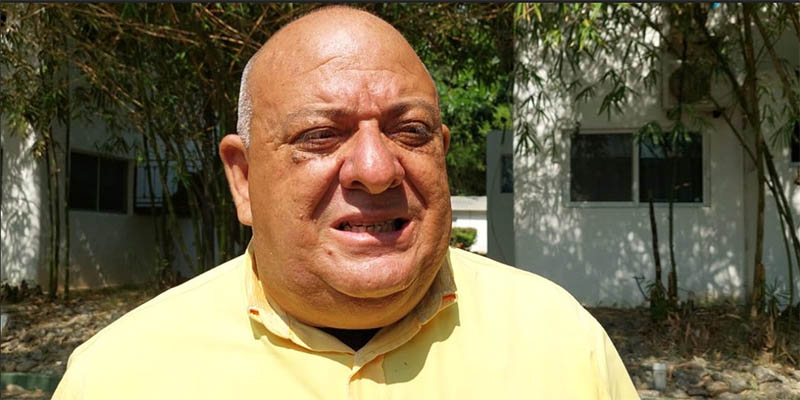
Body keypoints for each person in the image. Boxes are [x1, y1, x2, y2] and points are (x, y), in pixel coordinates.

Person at [53, 6, 638, 399]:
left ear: (442, 152)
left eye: (410, 132)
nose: (377, 171)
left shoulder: (562, 343)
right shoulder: (118, 377)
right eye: (320, 136)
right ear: (243, 178)